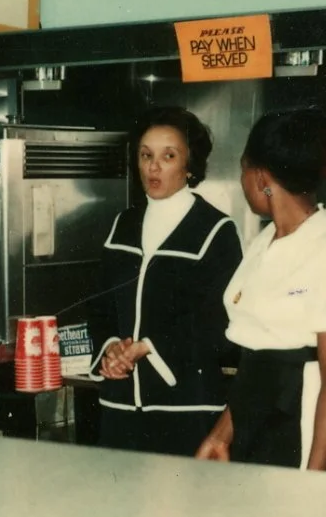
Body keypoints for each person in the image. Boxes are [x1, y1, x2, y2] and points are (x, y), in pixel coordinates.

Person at [196, 108, 326, 470]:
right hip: (253, 418)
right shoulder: (265, 242)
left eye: (243, 169)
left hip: (300, 428)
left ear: (260, 178)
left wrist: (312, 483)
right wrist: (221, 435)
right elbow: (258, 358)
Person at [90, 106, 242, 456]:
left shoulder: (215, 229)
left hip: (186, 409)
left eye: (168, 156)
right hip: (121, 409)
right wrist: (111, 347)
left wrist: (150, 346)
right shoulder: (122, 225)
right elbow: (99, 307)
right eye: (146, 156)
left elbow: (218, 320)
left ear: (190, 166)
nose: (153, 167)